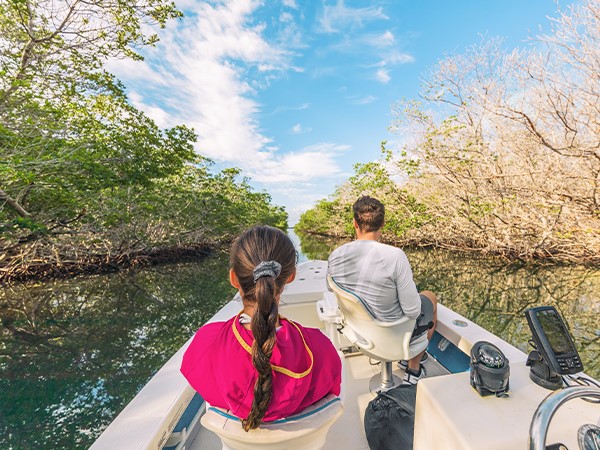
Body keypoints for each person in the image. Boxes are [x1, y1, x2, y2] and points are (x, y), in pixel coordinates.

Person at [181, 225, 342, 431]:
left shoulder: (207, 342)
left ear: (233, 279)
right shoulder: (319, 347)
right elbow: (331, 391)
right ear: (291, 276)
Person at [327, 196, 437, 385]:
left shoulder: (336, 255)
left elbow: (330, 290)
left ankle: (408, 359)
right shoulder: (395, 256)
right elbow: (412, 311)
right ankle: (413, 368)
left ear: (355, 223)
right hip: (393, 337)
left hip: (360, 335)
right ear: (383, 223)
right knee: (430, 297)